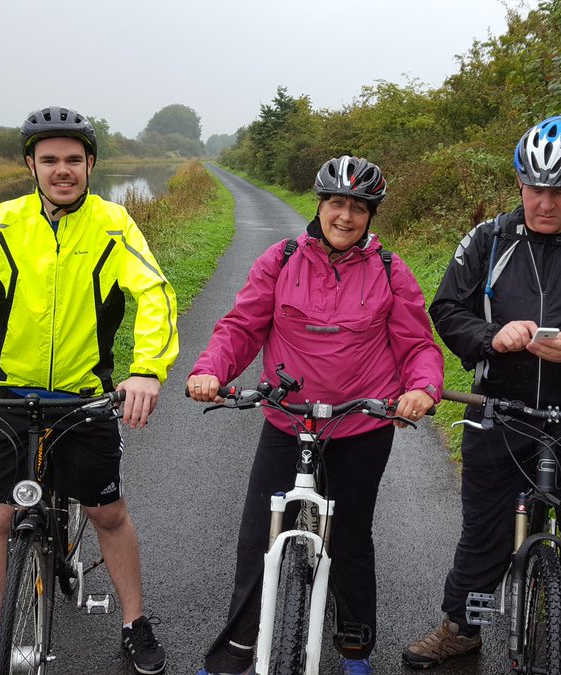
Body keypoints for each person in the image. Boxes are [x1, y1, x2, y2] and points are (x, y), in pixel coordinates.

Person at [0, 106, 179, 675]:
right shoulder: (2, 223)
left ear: (90, 165)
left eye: (73, 159)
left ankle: (134, 623)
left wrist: (146, 370)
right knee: (2, 519)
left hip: (84, 398)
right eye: (49, 159)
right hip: (11, 396)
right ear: (30, 164)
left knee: (107, 514)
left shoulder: (112, 224)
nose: (62, 170)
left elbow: (153, 293)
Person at [402, 116, 561, 675]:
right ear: (519, 182)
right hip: (500, 412)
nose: (544, 203)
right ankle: (461, 629)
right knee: (484, 530)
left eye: (558, 190)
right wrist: (490, 338)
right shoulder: (488, 238)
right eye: (533, 189)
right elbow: (447, 309)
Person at [186, 156, 444, 675]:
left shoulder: (390, 270)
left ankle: (355, 649)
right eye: (337, 203)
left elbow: (418, 343)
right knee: (257, 538)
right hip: (289, 419)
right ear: (320, 205)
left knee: (350, 537)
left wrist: (422, 388)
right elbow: (241, 326)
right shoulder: (281, 260)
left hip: (360, 424)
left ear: (370, 215)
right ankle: (236, 651)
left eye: (358, 208)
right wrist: (211, 370)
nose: (345, 216)